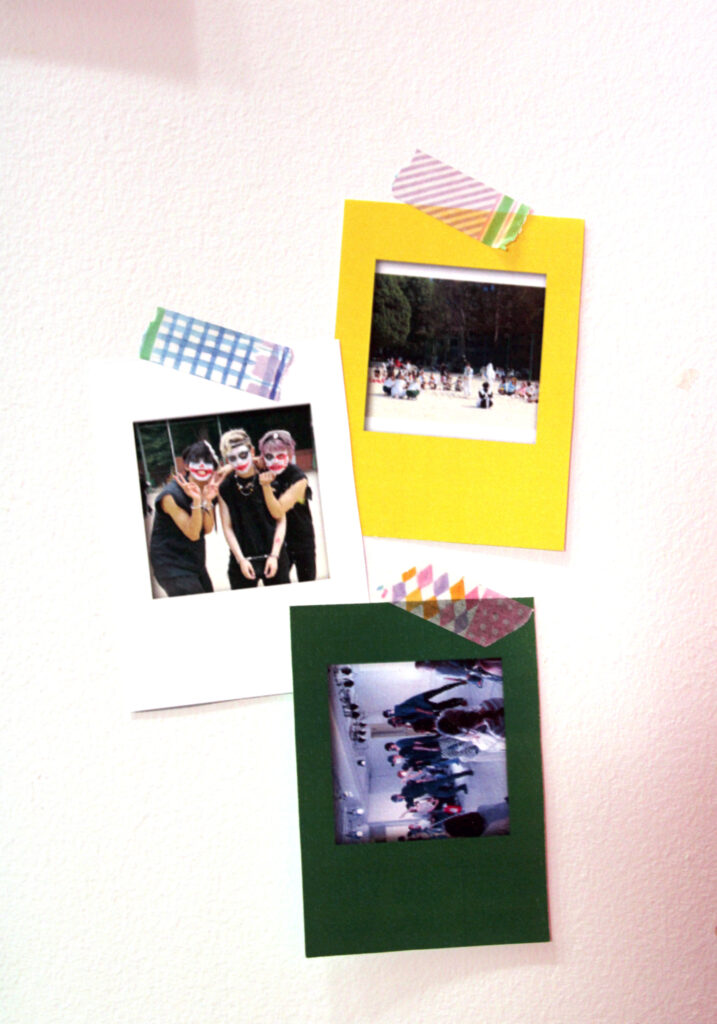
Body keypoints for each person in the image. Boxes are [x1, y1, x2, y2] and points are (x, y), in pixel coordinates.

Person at [217, 428, 290, 589]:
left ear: (252, 451)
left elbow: (281, 520)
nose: (239, 462)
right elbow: (227, 527)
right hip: (242, 560)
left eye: (243, 455)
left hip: (274, 556)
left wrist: (274, 555)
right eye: (232, 458)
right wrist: (241, 560)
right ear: (227, 460)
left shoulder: (270, 478)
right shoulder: (225, 488)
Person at [148, 440, 220, 598]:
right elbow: (193, 534)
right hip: (171, 565)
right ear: (187, 466)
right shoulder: (170, 495)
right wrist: (196, 501)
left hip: (195, 563)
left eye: (207, 462)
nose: (202, 466)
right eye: (196, 461)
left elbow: (207, 529)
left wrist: (207, 500)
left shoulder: (208, 490)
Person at [257, 429, 317, 582]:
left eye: (280, 456)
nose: (275, 461)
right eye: (269, 456)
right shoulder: (265, 470)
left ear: (290, 455)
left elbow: (278, 511)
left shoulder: (299, 479)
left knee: (307, 583)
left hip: (302, 540)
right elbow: (241, 463)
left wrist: (265, 486)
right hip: (277, 541)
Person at [382, 680, 470, 730]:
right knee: (440, 706)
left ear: (393, 718)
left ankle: (458, 683)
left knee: (439, 690)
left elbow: (415, 708)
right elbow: (413, 724)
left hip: (419, 700)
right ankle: (459, 701)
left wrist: (428, 713)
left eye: (396, 721)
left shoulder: (398, 710)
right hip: (424, 707)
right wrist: (403, 725)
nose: (398, 722)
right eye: (397, 724)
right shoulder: (403, 720)